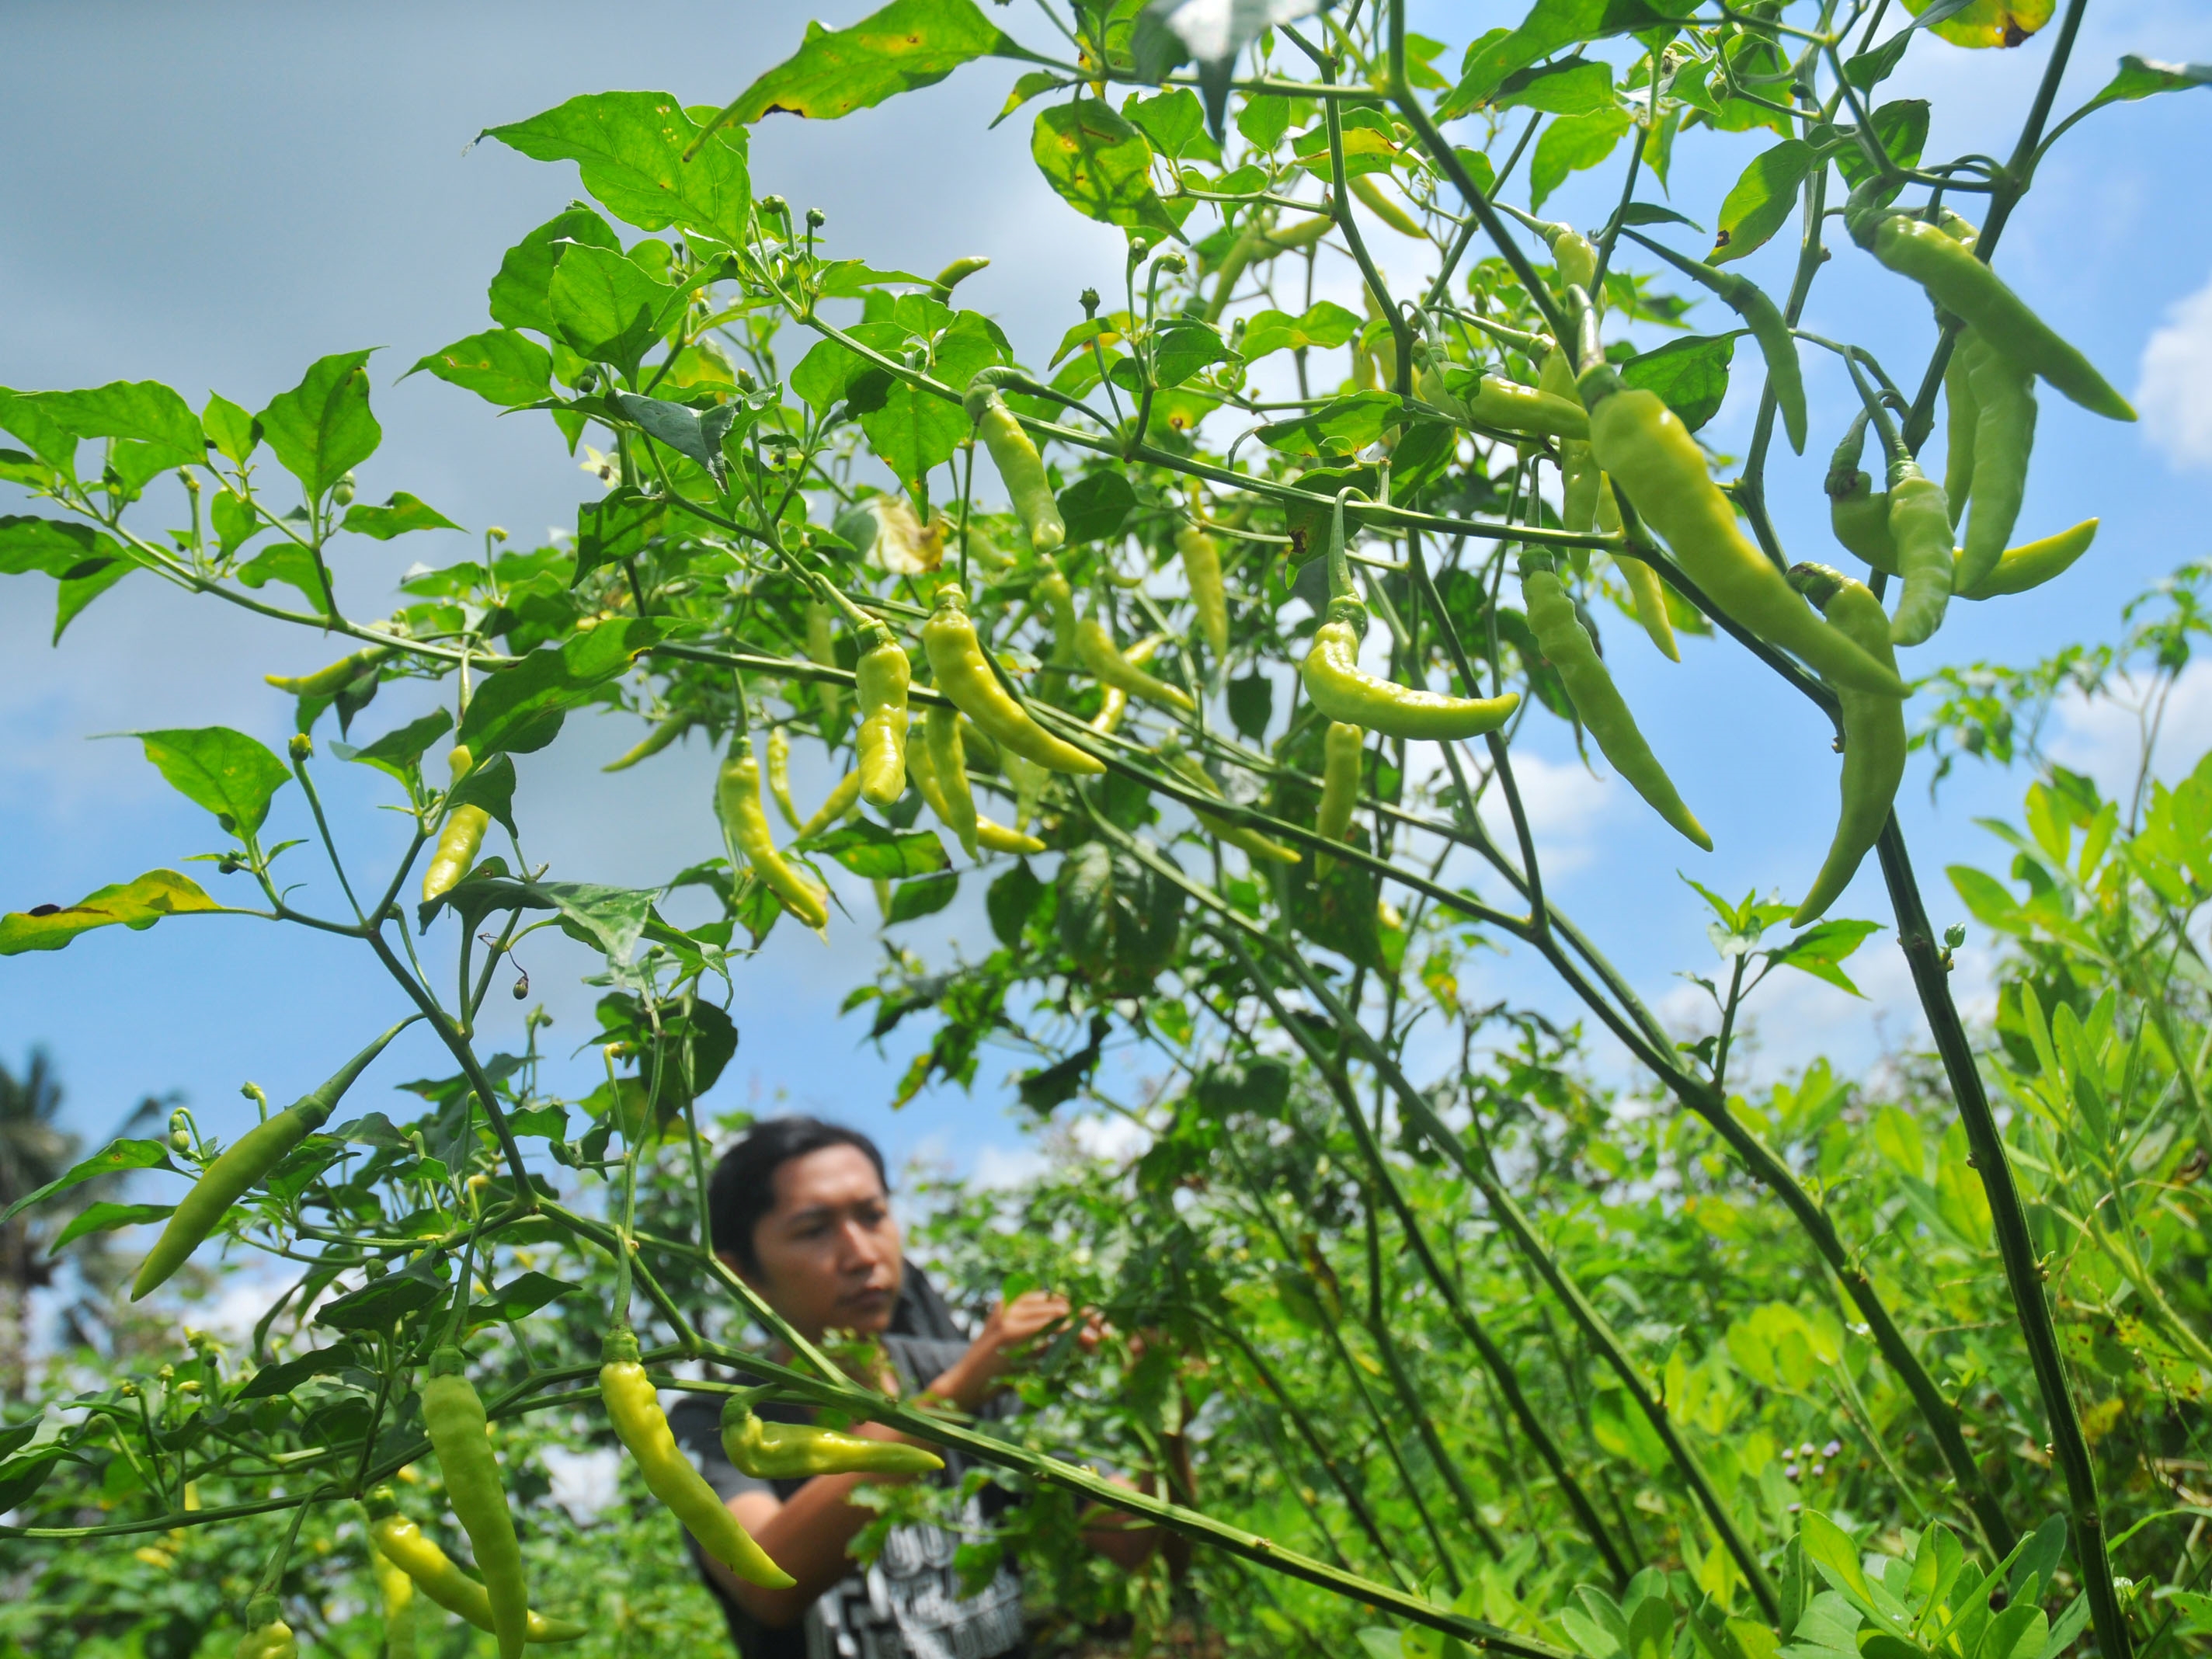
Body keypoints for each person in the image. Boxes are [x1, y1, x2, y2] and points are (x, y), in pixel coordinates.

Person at [665, 1116, 1155, 1659]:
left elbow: (1136, 1544)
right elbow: (765, 1579)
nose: (862, 1254)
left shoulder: (974, 1375)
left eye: (874, 1216)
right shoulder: (715, 1422)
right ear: (739, 1274)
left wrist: (1161, 1401)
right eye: (813, 1230)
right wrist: (952, 1397)